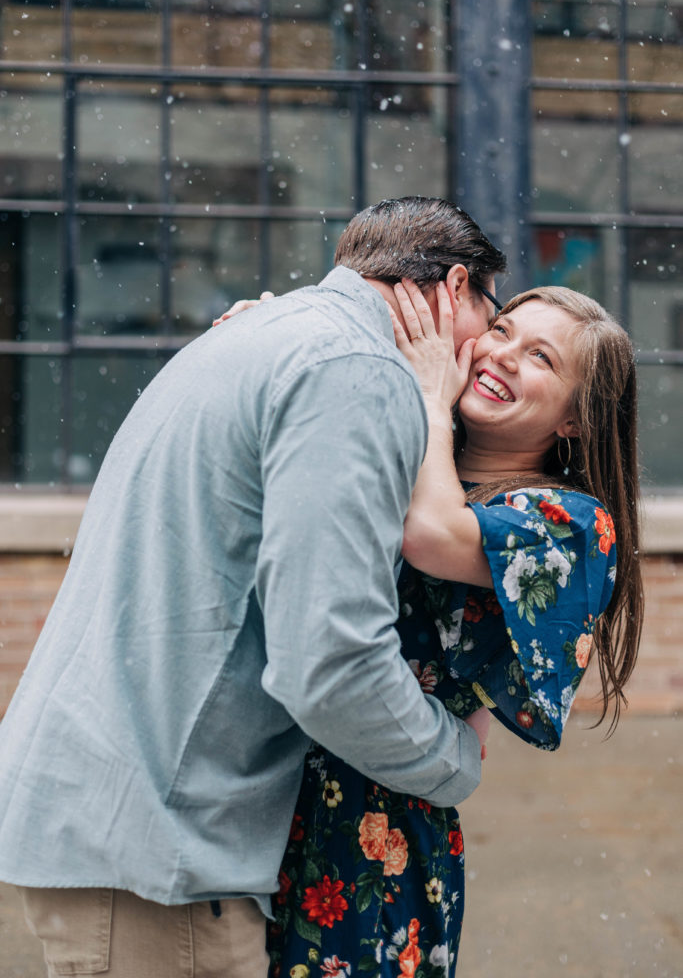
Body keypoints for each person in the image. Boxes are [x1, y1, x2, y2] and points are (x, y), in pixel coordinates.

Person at [0, 197, 507, 978]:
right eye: (491, 323)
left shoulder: (268, 334)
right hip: (159, 854)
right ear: (455, 289)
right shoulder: (354, 371)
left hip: (116, 818)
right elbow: (330, 661)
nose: (481, 357)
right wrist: (451, 760)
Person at [229, 278, 643, 976]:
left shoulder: (570, 523)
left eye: (541, 358)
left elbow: (430, 537)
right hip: (260, 795)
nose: (505, 355)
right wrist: (272, 337)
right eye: (504, 331)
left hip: (377, 828)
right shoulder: (415, 449)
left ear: (574, 419)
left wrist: (427, 394)